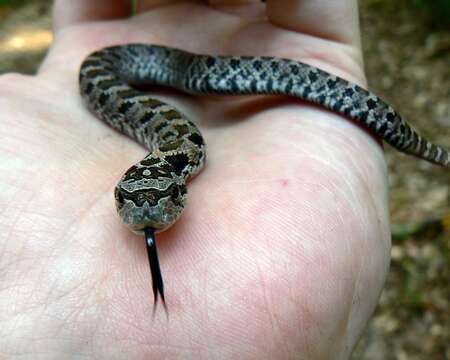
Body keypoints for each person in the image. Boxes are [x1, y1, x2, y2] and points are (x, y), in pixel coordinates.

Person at [0, 0, 391, 358]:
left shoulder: (182, 151)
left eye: (168, 197)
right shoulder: (168, 151)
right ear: (120, 192)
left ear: (178, 184)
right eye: (127, 201)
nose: (148, 214)